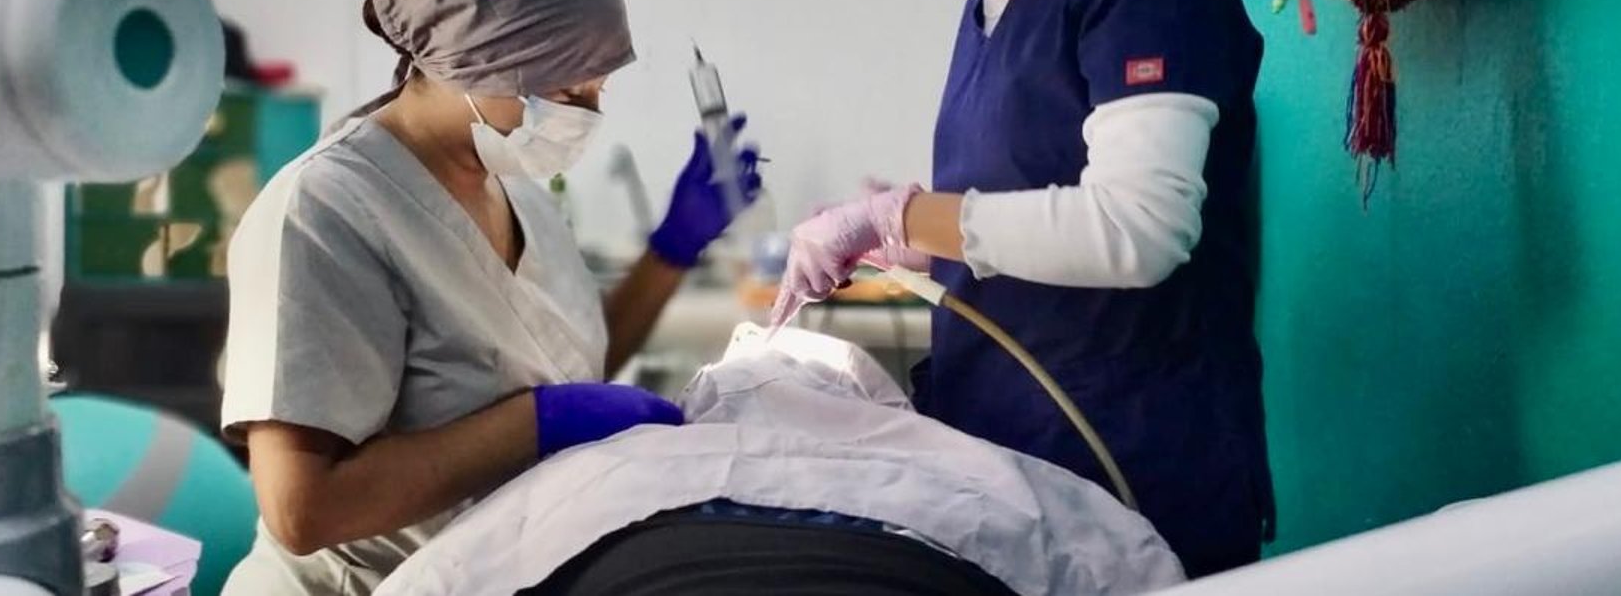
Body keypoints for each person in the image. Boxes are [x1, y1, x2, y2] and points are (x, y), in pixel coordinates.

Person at [779, 0, 1273, 577]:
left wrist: (908, 216)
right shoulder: (989, 3)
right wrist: (901, 246)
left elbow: (1140, 228)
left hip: (1132, 471)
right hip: (1013, 473)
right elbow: (1013, 219)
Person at [219, 0, 761, 594]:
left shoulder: (514, 185)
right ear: (477, 59)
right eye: (568, 89)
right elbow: (303, 507)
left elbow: (562, 364)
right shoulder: (325, 212)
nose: (587, 115)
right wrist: (535, 424)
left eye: (597, 88)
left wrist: (673, 248)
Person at [373, 326, 1185, 596]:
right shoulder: (939, 459)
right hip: (908, 562)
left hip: (637, 561)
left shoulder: (616, 465)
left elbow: (443, 576)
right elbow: (1128, 561)